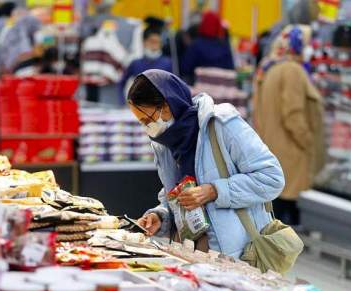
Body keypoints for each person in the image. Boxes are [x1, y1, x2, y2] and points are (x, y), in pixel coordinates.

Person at [127, 69, 285, 258]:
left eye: (147, 119)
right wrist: (161, 216)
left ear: (167, 106)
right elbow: (176, 196)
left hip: (236, 257)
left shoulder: (222, 124)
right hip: (188, 254)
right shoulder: (165, 143)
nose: (146, 127)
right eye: (141, 122)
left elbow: (271, 178)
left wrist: (214, 191)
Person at [254, 25, 325, 226]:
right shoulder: (293, 71)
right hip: (291, 153)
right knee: (288, 217)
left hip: (275, 150)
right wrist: (309, 143)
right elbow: (293, 116)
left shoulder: (270, 67)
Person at [118, 27, 172, 103]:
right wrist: (122, 101)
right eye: (152, 41)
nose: (155, 45)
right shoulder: (136, 63)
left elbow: (174, 86)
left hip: (161, 106)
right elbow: (121, 82)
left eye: (158, 42)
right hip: (139, 106)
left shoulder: (168, 63)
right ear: (144, 42)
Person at [180, 11, 234, 84]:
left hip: (199, 90)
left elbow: (185, 68)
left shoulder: (196, 45)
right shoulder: (225, 46)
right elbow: (231, 69)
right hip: (221, 90)